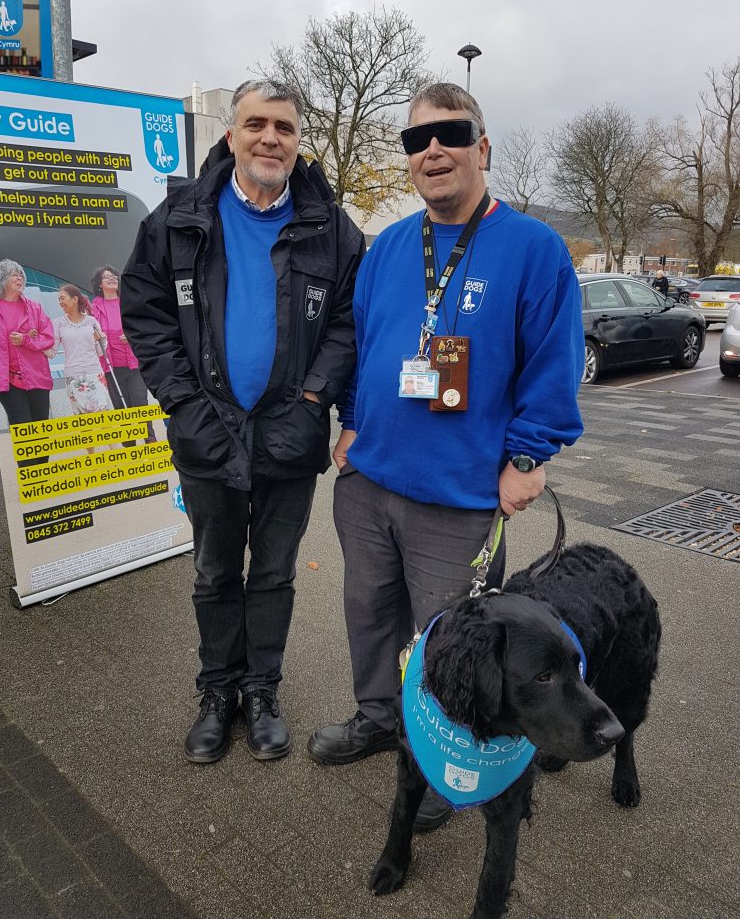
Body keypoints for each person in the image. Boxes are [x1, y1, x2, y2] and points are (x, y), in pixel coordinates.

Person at [308, 83, 585, 831]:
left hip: (460, 497)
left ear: (481, 148)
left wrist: (527, 459)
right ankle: (376, 719)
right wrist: (353, 424)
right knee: (367, 614)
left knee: (448, 643)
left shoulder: (534, 250)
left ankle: (438, 757)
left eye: (450, 133)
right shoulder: (390, 247)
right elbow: (367, 348)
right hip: (370, 482)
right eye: (415, 140)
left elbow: (552, 370)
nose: (431, 150)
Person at [121, 79, 364, 765]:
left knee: (274, 576)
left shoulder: (332, 230)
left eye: (283, 128)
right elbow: (145, 313)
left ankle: (261, 692)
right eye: (256, 124)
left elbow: (348, 324)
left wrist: (316, 397)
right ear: (230, 136)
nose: (269, 138)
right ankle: (216, 692)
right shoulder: (178, 219)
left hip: (290, 434)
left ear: (296, 142)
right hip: (207, 432)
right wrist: (183, 403)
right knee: (213, 573)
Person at [0, 259, 54, 467]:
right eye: (14, 274)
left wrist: (27, 340)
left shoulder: (35, 308)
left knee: (40, 426)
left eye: (21, 274)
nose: (20, 277)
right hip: (6, 379)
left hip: (36, 375)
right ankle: (29, 474)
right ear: (2, 279)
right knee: (22, 426)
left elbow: (48, 337)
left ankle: (42, 472)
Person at [90, 265, 156, 443]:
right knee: (121, 408)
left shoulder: (129, 301)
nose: (112, 278)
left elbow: (144, 325)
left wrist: (133, 336)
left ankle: (150, 443)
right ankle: (130, 449)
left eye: (114, 276)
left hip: (134, 364)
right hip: (111, 367)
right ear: (99, 284)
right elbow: (89, 332)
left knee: (140, 404)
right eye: (106, 277)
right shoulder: (94, 307)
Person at [50, 285, 113, 423]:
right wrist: (33, 341)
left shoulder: (91, 321)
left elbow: (99, 352)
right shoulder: (58, 323)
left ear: (74, 299)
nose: (60, 302)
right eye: (58, 299)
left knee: (104, 418)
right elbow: (52, 352)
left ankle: (112, 445)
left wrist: (102, 338)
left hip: (95, 374)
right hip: (73, 377)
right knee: (84, 422)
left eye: (62, 298)